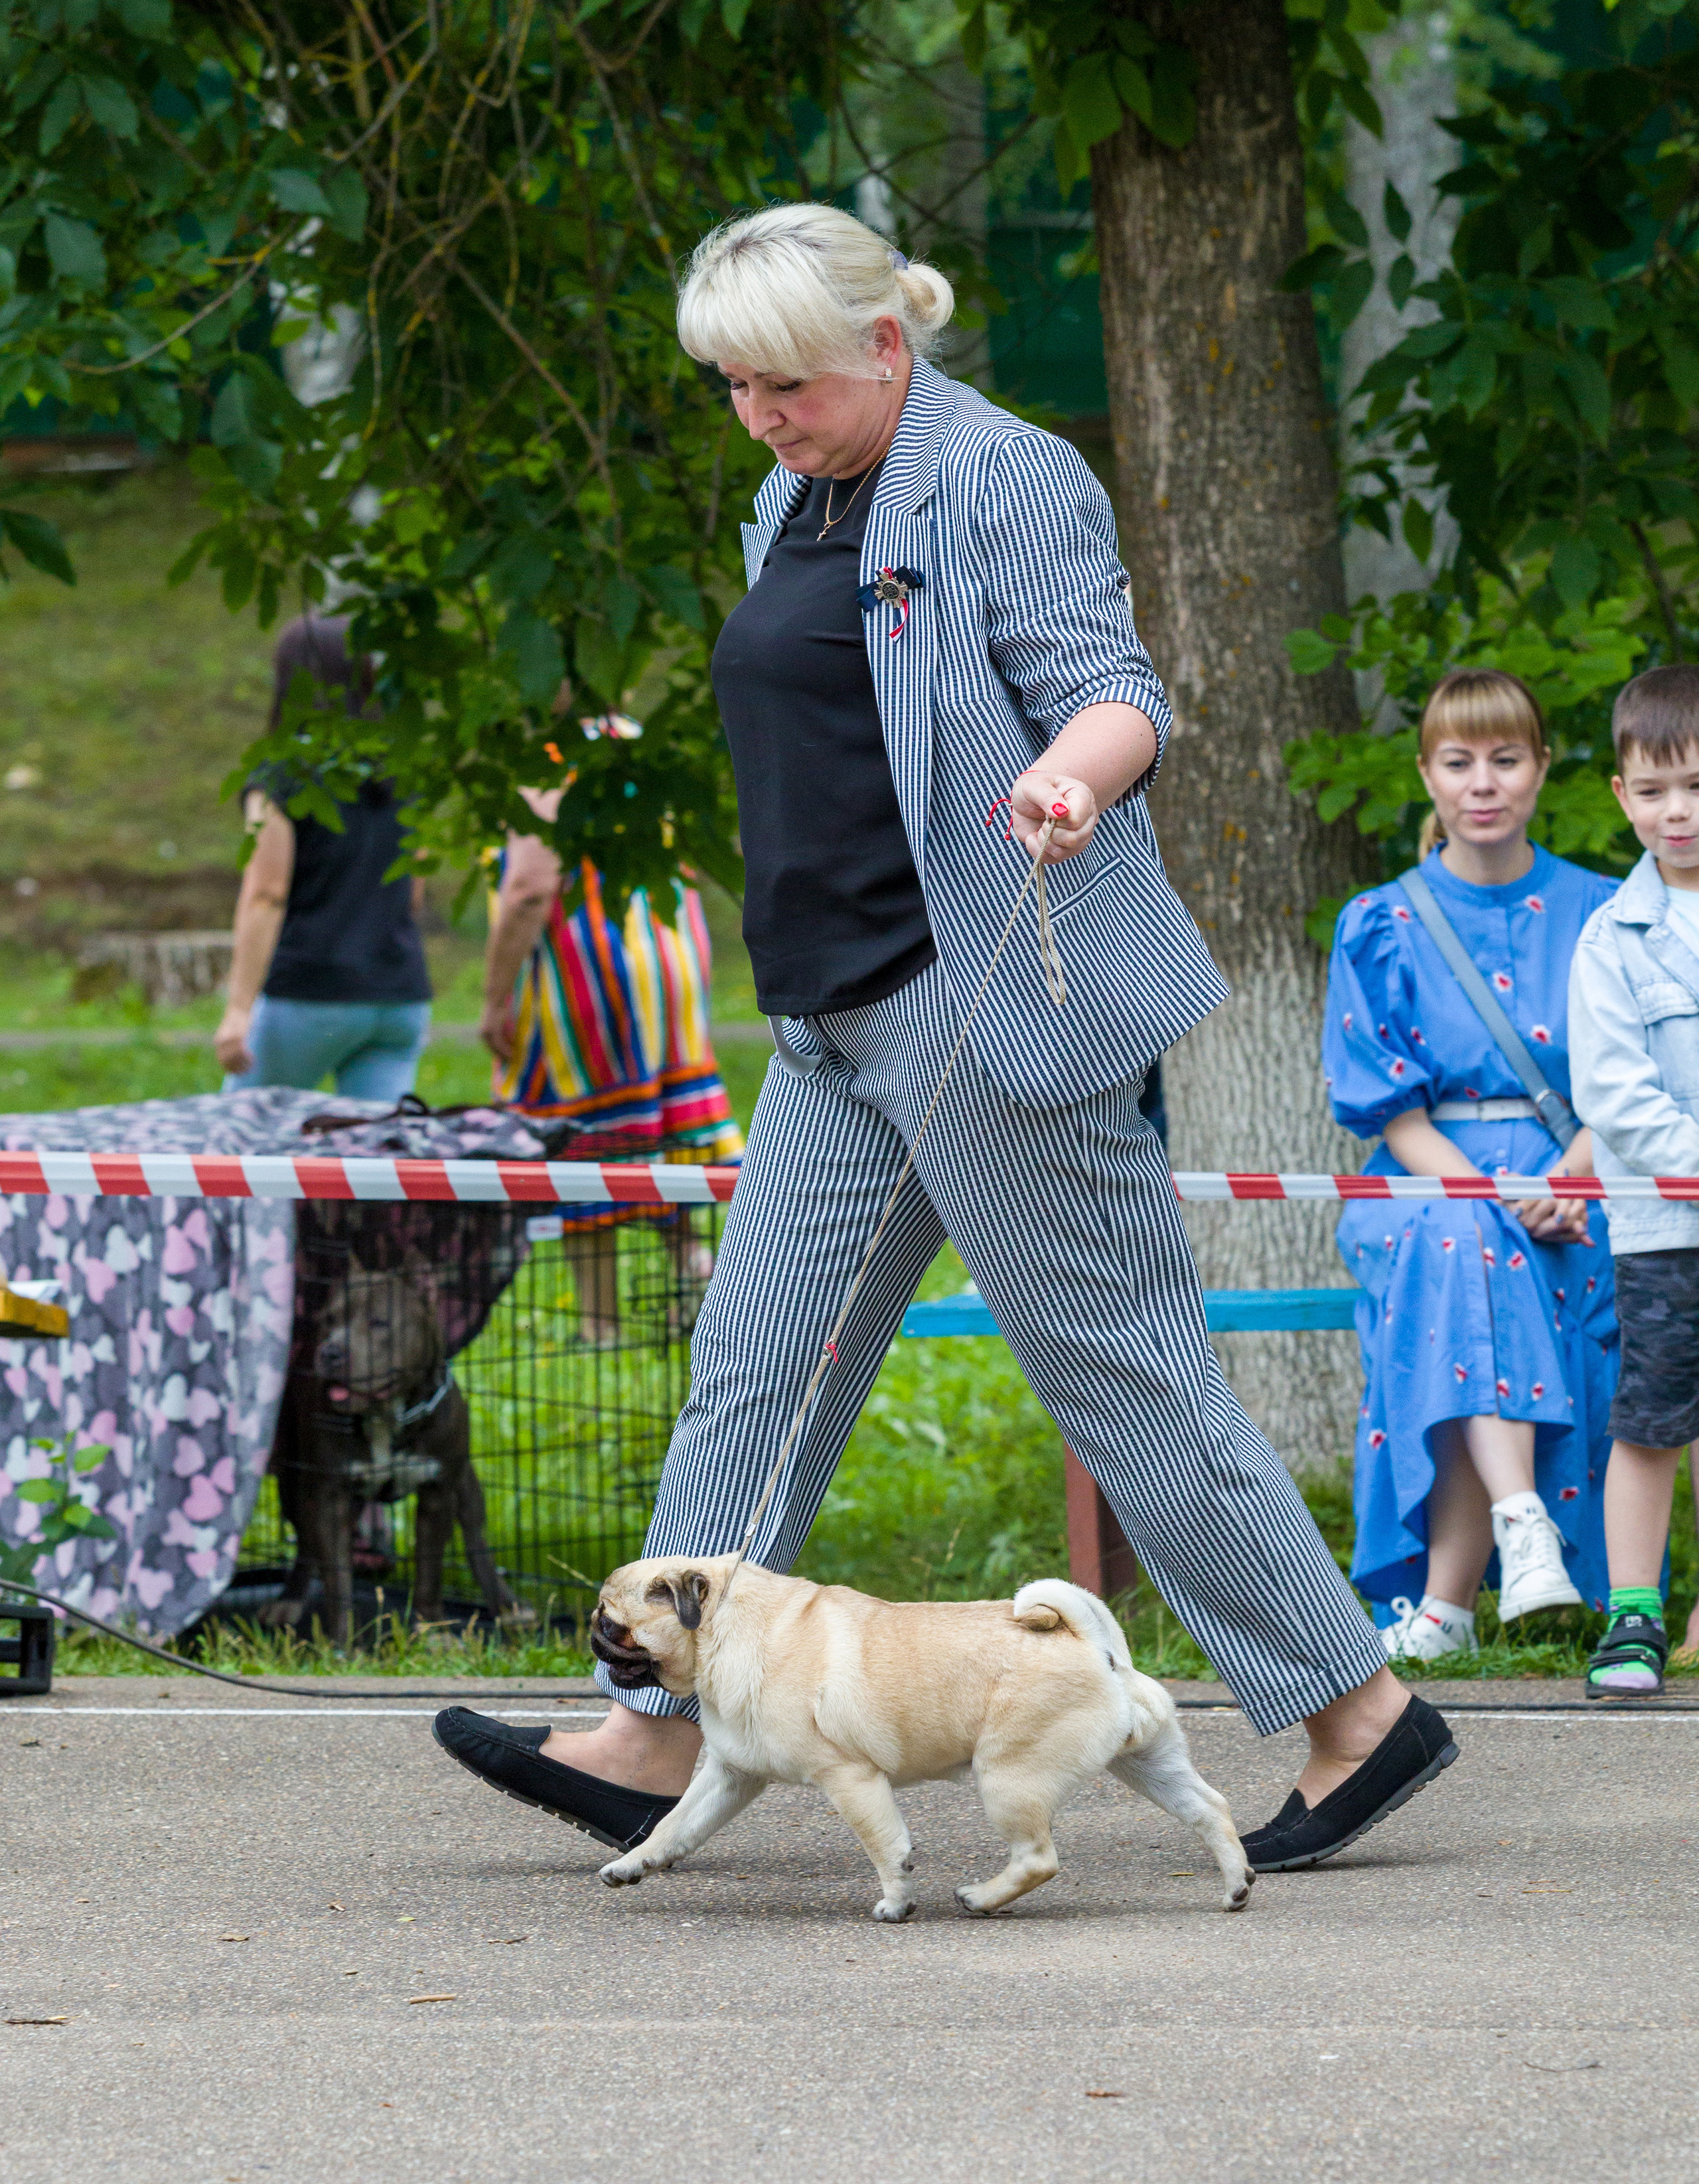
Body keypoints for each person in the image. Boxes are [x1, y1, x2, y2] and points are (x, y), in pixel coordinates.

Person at [435, 202, 1441, 1879]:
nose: (756, 416)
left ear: (883, 348)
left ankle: (1351, 1707)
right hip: (833, 1021)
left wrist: (1073, 775)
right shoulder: (795, 492)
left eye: (783, 383)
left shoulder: (1008, 476)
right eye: (732, 387)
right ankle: (656, 1717)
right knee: (754, 1370)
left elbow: (1119, 687)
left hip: (984, 1002)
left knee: (1122, 1379)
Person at [1325, 669, 1619, 1662]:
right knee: (1460, 1236)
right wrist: (1493, 1194)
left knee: (1472, 1263)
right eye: (1459, 762)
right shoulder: (1380, 920)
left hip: (1583, 1172)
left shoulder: (1608, 912)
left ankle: (1446, 1603)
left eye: (1505, 759)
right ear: (1428, 775)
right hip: (1428, 1171)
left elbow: (1632, 1075)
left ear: (1541, 769)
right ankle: (1522, 1520)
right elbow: (1390, 1107)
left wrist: (1571, 1174)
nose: (1482, 783)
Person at [479, 726, 743, 1341]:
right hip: (667, 958)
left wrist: (495, 1002)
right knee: (668, 1124)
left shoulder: (549, 758)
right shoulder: (641, 741)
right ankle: (699, 1288)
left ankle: (601, 1327)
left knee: (583, 1134)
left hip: (590, 972)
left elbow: (529, 887)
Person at [1570, 666, 1699, 1696]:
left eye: (1696, 785)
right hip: (1664, 1224)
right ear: (1622, 795)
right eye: (1655, 789)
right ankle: (1634, 1615)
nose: (1678, 810)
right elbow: (1613, 1094)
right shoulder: (1610, 939)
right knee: (1651, 1419)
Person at [217, 617, 433, 1099]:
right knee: (374, 1160)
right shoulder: (405, 769)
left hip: (313, 993)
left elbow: (266, 895)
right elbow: (413, 892)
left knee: (242, 1151)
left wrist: (238, 1010)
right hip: (398, 998)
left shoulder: (282, 777)